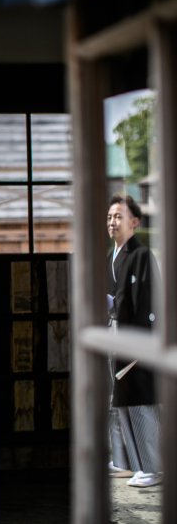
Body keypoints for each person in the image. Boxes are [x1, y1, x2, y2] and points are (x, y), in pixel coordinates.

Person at [105, 195, 161, 488]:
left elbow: (148, 301)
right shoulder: (111, 255)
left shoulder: (141, 255)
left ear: (134, 222)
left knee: (139, 398)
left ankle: (152, 467)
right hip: (115, 330)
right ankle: (123, 462)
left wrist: (140, 342)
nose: (112, 222)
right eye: (110, 217)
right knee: (117, 401)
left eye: (119, 217)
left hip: (135, 334)